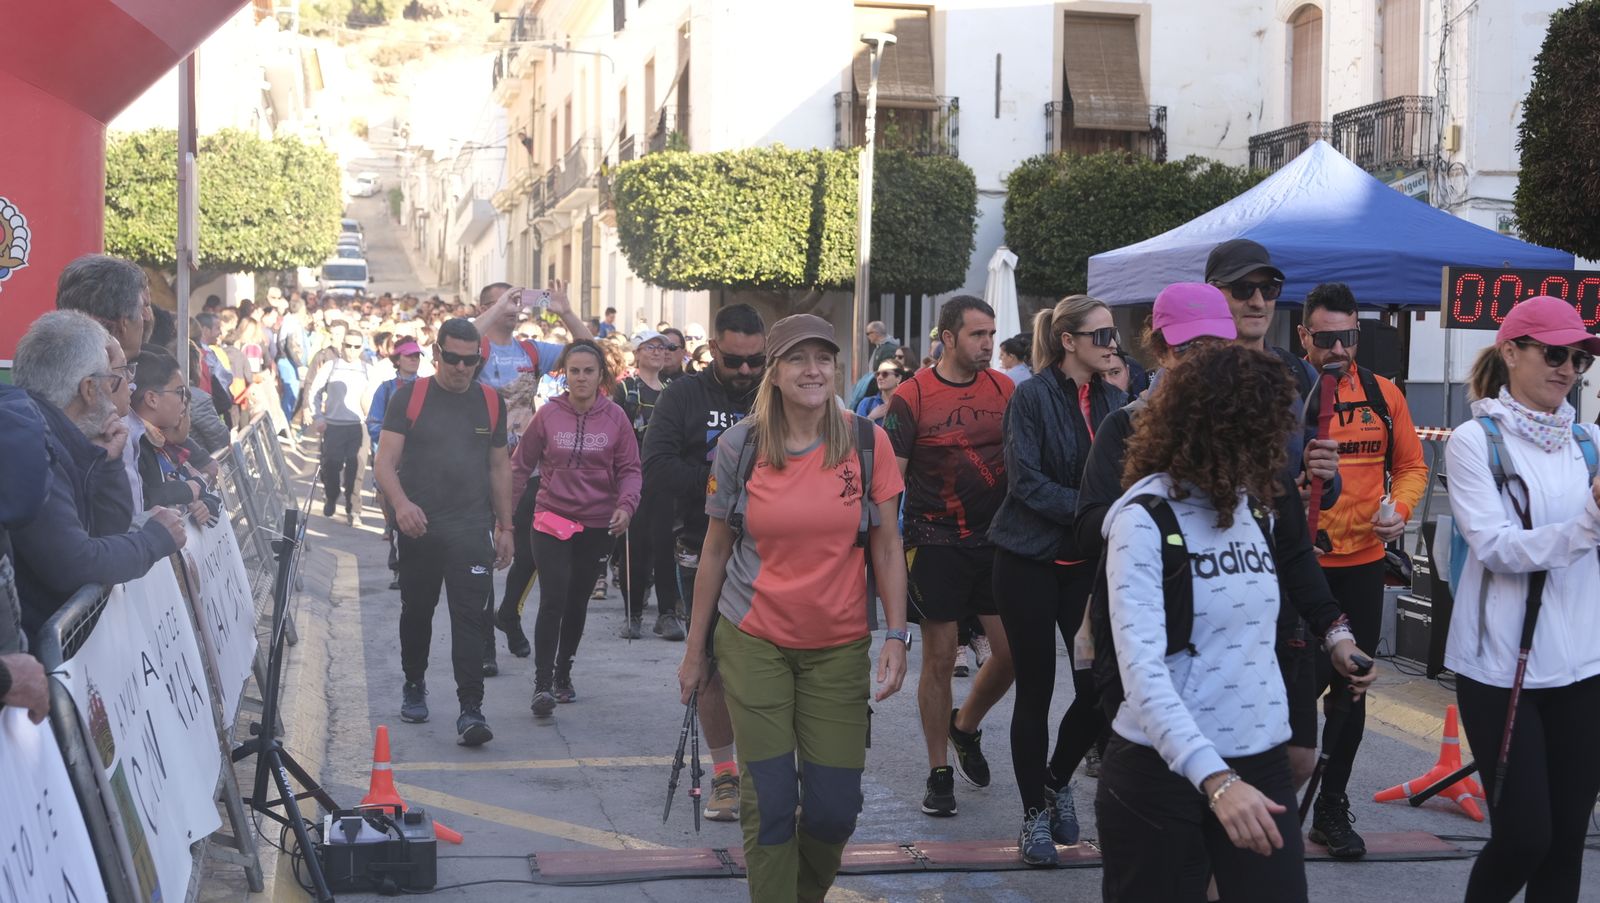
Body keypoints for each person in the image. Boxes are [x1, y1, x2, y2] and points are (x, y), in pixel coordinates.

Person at [1096, 342, 1372, 903]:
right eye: (1265, 433)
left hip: (1259, 758)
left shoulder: (1257, 508)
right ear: (1216, 431)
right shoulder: (1142, 520)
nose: (1279, 448)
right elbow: (1142, 674)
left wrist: (1336, 637)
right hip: (1160, 775)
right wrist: (1216, 781)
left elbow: (1274, 608)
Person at [676, 314, 909, 903]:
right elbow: (714, 552)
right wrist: (694, 651)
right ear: (774, 373)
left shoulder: (866, 440)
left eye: (824, 358)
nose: (813, 370)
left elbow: (885, 546)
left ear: (837, 367)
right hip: (754, 639)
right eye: (798, 359)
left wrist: (897, 635)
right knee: (771, 801)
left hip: (839, 644)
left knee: (834, 810)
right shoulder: (741, 444)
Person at [1445, 296, 1600, 902]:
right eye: (1554, 353)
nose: (1567, 369)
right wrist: (1588, 523)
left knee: (1566, 846)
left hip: (1583, 666)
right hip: (1499, 668)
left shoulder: (1586, 441)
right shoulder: (1472, 440)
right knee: (1524, 837)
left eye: (1580, 359)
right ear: (1510, 352)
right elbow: (1496, 547)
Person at [987, 295, 1125, 864]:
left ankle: (1055, 777)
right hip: (1027, 560)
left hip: (1087, 566)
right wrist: (1100, 511)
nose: (1111, 343)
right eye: (1100, 335)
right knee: (1036, 688)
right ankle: (1033, 816)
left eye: (1113, 334)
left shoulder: (1118, 399)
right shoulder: (1031, 395)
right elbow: (1026, 483)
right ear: (1068, 341)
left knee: (1098, 687)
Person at [1293, 283, 1428, 857]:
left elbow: (1413, 466)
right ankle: (1268, 798)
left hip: (1364, 564)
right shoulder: (1285, 393)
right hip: (1300, 567)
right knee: (1298, 689)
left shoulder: (1383, 393)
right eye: (1325, 338)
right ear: (1304, 337)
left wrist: (1400, 509)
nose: (1339, 348)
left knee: (1353, 689)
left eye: (1347, 336)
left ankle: (1330, 806)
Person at [1206, 239, 1343, 790]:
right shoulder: (1193, 373)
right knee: (1222, 751)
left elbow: (1320, 494)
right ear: (1216, 294)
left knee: (1297, 755)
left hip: (1283, 577)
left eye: (1269, 289)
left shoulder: (1298, 374)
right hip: (1212, 579)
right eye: (1244, 289)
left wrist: (1322, 479)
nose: (1259, 300)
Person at [883, 295, 1016, 817]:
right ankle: (939, 771)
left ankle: (965, 727)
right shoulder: (912, 397)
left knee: (1010, 656)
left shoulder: (1006, 389)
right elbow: (890, 481)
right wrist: (885, 548)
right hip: (933, 539)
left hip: (995, 540)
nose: (987, 344)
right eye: (977, 335)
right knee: (939, 657)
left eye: (991, 334)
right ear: (947, 337)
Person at [642, 303, 767, 823]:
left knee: (772, 663)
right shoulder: (684, 395)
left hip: (774, 547)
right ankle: (724, 775)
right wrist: (724, 489)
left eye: (755, 361)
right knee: (711, 664)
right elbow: (657, 465)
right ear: (712, 349)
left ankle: (774, 773)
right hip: (704, 541)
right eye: (734, 360)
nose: (745, 372)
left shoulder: (775, 393)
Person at [374, 317, 513, 747]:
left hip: (470, 527)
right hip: (419, 526)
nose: (460, 367)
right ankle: (414, 683)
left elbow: (499, 466)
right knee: (417, 611)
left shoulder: (490, 402)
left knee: (471, 617)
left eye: (470, 360)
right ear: (437, 355)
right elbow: (383, 462)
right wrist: (401, 506)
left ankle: (471, 709)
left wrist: (506, 526)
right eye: (452, 358)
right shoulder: (409, 397)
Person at [10, 311, 185, 638]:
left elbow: (107, 532)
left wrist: (106, 467)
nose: (130, 385)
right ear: (89, 389)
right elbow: (74, 563)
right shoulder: (30, 445)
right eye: (119, 374)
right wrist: (154, 541)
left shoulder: (57, 437)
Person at [515, 341, 641, 716]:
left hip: (597, 523)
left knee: (576, 600)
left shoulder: (616, 417)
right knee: (553, 597)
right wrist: (503, 517)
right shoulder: (548, 415)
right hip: (551, 518)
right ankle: (542, 684)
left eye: (589, 371)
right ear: (564, 375)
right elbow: (520, 465)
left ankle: (563, 672)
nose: (581, 378)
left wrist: (626, 506)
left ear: (601, 375)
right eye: (574, 371)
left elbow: (631, 470)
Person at [613, 330, 682, 639]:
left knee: (666, 547)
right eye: (650, 346)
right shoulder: (625, 389)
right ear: (637, 353)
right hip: (632, 479)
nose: (658, 351)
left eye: (662, 347)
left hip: (665, 480)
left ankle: (667, 614)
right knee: (634, 547)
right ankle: (634, 614)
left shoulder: (674, 391)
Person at [127, 351, 221, 529]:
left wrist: (205, 506)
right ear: (152, 399)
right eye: (179, 392)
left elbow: (200, 487)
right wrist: (183, 491)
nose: (183, 401)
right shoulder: (133, 445)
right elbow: (138, 504)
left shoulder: (163, 443)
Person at [369, 339, 424, 589]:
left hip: (422, 466)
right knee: (395, 519)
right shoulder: (386, 389)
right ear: (397, 360)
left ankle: (425, 568)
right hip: (392, 465)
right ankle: (399, 570)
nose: (414, 359)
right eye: (409, 356)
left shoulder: (427, 387)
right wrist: (395, 440)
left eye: (417, 356)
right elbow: (373, 423)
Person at [308, 328, 376, 526]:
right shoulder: (331, 366)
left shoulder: (368, 369)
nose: (352, 350)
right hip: (334, 425)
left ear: (361, 347)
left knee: (357, 468)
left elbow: (376, 397)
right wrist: (318, 417)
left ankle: (353, 510)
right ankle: (331, 495)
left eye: (356, 346)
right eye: (348, 345)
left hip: (359, 426)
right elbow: (314, 391)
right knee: (331, 465)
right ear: (342, 346)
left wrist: (374, 420)